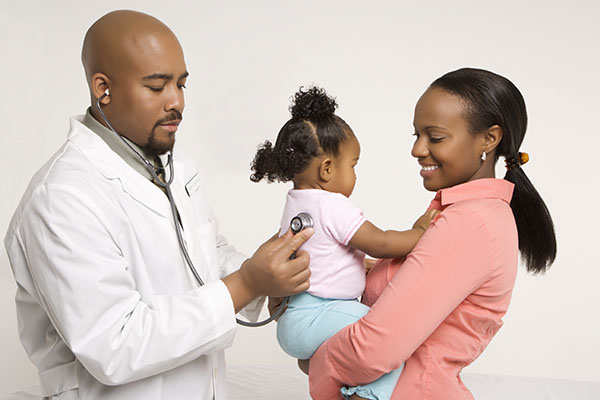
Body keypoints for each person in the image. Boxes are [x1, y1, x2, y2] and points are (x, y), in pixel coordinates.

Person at [3, 10, 312, 400]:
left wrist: (275, 273)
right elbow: (114, 344)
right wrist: (248, 282)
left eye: (181, 84)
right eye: (157, 87)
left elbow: (205, 257)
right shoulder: (61, 198)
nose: (177, 102)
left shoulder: (174, 166)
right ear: (103, 88)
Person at [307, 68, 557, 399]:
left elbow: (374, 350)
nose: (417, 149)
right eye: (416, 135)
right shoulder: (457, 213)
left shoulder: (471, 224)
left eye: (435, 137)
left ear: (489, 139)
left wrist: (315, 357)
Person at [250, 86, 438, 400]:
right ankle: (364, 396)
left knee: (366, 343)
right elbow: (380, 242)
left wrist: (355, 264)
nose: (354, 174)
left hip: (295, 320)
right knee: (391, 338)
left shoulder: (297, 201)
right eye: (353, 165)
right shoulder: (331, 205)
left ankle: (320, 365)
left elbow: (323, 251)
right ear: (326, 170)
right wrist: (420, 232)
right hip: (318, 314)